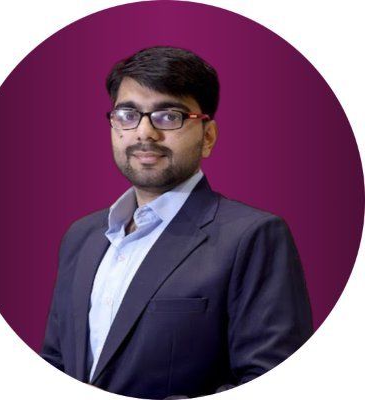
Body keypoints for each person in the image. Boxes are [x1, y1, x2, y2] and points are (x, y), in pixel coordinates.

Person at [41, 46, 313, 399]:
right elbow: (55, 362)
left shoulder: (252, 236)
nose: (145, 133)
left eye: (169, 116)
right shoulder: (82, 237)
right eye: (128, 114)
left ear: (208, 136)